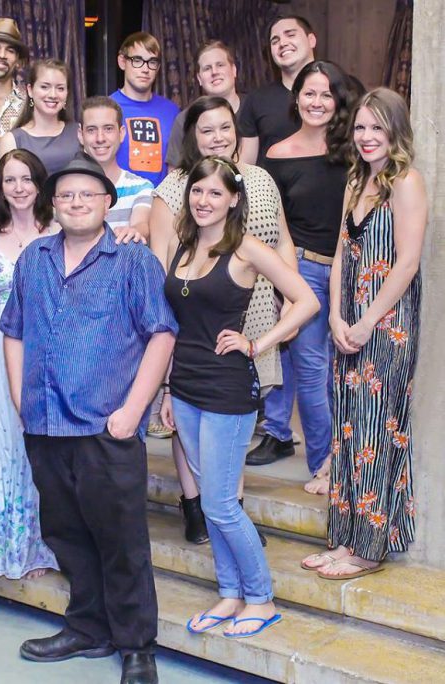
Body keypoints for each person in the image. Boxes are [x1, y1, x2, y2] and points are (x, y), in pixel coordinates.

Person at [0, 154, 177, 684]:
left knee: (121, 540)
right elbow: (12, 329)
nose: (76, 202)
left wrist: (131, 411)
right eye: (67, 195)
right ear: (54, 204)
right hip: (44, 424)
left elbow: (162, 334)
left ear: (108, 203)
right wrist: (18, 396)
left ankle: (136, 645)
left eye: (87, 195)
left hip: (106, 430)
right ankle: (87, 627)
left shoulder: (133, 262)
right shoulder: (34, 258)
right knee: (66, 532)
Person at [160, 155, 319, 638]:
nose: (203, 200)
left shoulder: (247, 249)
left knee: (223, 503)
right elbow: (174, 324)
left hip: (227, 386)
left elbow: (306, 300)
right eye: (197, 191)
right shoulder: (184, 245)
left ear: (233, 199)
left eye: (214, 192)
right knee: (210, 501)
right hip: (185, 384)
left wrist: (258, 343)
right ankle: (230, 595)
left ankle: (261, 598)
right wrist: (167, 387)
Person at [149, 96, 296, 542]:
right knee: (189, 419)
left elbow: (283, 240)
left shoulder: (260, 180)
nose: (218, 136)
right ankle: (196, 506)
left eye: (225, 127)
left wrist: (288, 304)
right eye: (207, 129)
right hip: (195, 323)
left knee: (236, 422)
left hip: (253, 316)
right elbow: (163, 270)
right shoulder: (174, 189)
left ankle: (232, 513)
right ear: (192, 136)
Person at [301, 88, 426, 579]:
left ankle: (369, 548)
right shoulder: (357, 180)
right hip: (347, 323)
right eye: (360, 127)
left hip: (386, 325)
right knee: (349, 430)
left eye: (378, 127)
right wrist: (334, 317)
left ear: (395, 130)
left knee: (375, 429)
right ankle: (346, 537)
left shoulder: (406, 182)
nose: (368, 137)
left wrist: (367, 319)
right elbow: (339, 256)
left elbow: (408, 262)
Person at [246, 61, 359, 494]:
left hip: (352, 270)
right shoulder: (276, 153)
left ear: (339, 101)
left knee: (345, 368)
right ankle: (324, 466)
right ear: (297, 99)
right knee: (312, 368)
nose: (317, 102)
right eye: (309, 94)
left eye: (326, 94)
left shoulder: (355, 149)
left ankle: (350, 458)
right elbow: (276, 226)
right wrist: (282, 283)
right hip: (305, 270)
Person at [0, 149, 59, 579]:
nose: (18, 188)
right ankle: (5, 543)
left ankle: (41, 546)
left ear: (40, 183)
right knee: (1, 445)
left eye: (26, 178)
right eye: (9, 180)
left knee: (37, 444)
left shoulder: (57, 231)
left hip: (43, 350)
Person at [238, 15, 316, 166]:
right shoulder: (257, 100)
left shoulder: (342, 87)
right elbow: (246, 166)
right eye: (275, 40)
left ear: (311, 40)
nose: (282, 43)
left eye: (290, 34)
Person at [78, 95, 153, 240]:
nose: (100, 138)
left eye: (108, 129)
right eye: (92, 130)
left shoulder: (141, 187)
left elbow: (141, 225)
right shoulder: (67, 190)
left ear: (122, 133)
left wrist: (134, 231)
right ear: (81, 135)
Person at [110, 31, 179, 186]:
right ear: (122, 62)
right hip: (117, 203)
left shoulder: (172, 112)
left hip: (160, 203)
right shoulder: (107, 109)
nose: (145, 69)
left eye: (152, 62)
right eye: (137, 60)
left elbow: (177, 169)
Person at [166, 40, 243, 170]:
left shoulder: (255, 108)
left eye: (220, 65)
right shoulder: (185, 119)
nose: (214, 72)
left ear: (234, 70)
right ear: (199, 79)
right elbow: (174, 174)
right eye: (207, 68)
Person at [0, 59, 80, 175]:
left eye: (60, 88)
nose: (53, 95)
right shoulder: (12, 140)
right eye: (45, 87)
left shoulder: (79, 133)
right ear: (30, 90)